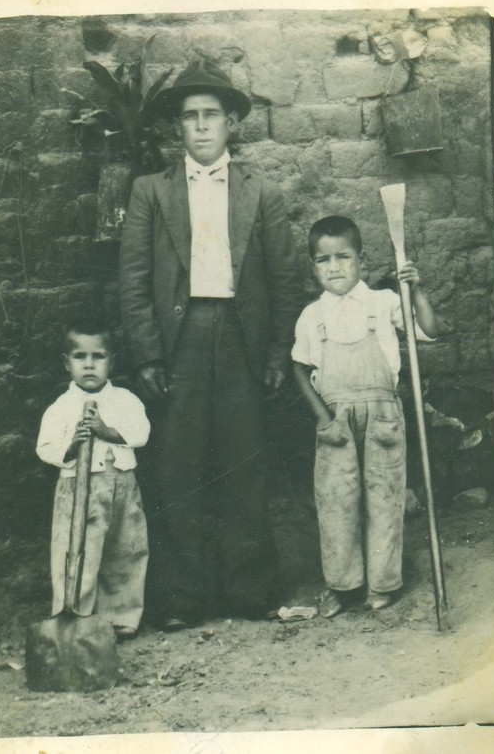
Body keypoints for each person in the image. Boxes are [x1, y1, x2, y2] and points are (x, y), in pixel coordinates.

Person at [120, 58, 302, 630]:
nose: (200, 127)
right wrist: (148, 352)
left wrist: (276, 355)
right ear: (178, 127)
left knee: (245, 464)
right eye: (190, 117)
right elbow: (131, 280)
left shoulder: (261, 193)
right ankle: (182, 596)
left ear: (231, 125)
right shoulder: (151, 191)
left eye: (211, 116)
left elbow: (285, 280)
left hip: (241, 338)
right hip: (182, 340)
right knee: (178, 465)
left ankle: (249, 590)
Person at [292, 216, 439, 617]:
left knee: (384, 498)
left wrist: (415, 288)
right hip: (335, 420)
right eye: (324, 260)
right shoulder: (311, 316)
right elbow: (299, 369)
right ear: (313, 266)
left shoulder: (384, 302)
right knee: (336, 503)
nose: (334, 267)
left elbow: (428, 328)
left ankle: (382, 584)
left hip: (383, 417)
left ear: (361, 259)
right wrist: (323, 419)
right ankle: (344, 585)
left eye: (344, 257)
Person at [36, 317, 151, 641]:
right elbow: (44, 448)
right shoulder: (60, 408)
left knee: (125, 550)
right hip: (78, 490)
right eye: (80, 357)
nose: (89, 365)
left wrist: (105, 430)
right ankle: (75, 614)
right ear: (66, 362)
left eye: (98, 357)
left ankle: (121, 617)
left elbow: (141, 434)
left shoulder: (125, 400)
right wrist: (72, 444)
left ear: (111, 362)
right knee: (76, 551)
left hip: (122, 488)